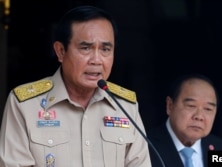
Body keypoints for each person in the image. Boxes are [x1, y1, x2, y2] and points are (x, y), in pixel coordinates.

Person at [0, 6, 151, 167]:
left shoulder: (126, 106)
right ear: (60, 51)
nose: (96, 60)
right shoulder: (25, 105)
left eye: (106, 49)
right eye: (86, 48)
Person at [147, 74, 222, 167]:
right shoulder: (144, 147)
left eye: (208, 109)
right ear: (170, 106)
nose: (199, 116)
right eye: (191, 106)